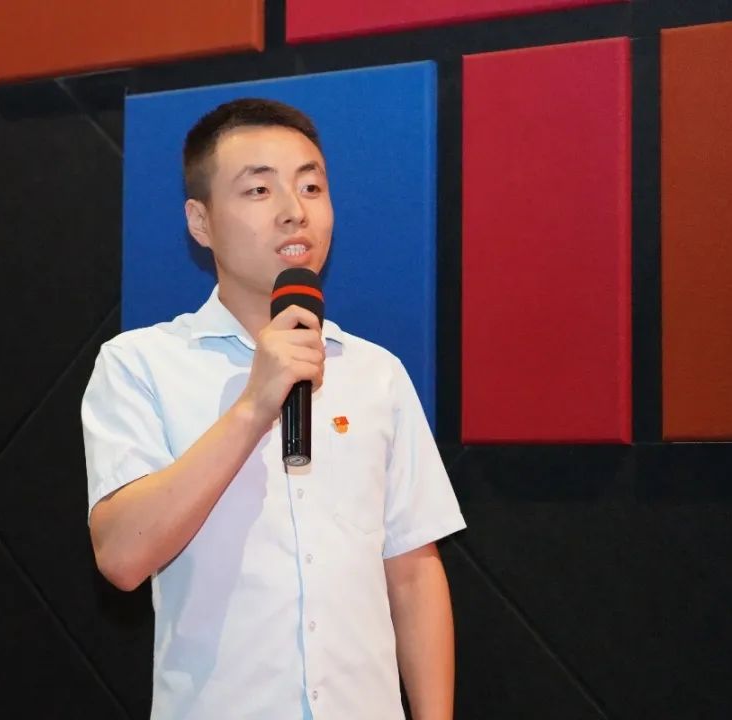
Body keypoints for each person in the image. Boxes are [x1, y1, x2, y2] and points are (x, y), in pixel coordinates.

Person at [81, 98, 466, 720]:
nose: (294, 210)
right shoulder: (140, 364)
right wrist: (254, 405)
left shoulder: (377, 373)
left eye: (311, 186)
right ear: (200, 221)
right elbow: (123, 557)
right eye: (259, 190)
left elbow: (413, 571)